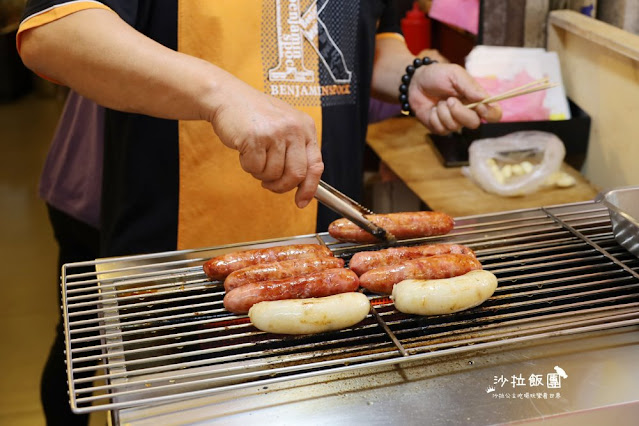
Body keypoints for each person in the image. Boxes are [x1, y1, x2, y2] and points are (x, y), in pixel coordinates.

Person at [17, 1, 501, 424]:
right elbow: (55, 31)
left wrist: (411, 75)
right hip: (178, 274)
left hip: (329, 268)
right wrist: (220, 94)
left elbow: (363, 38)